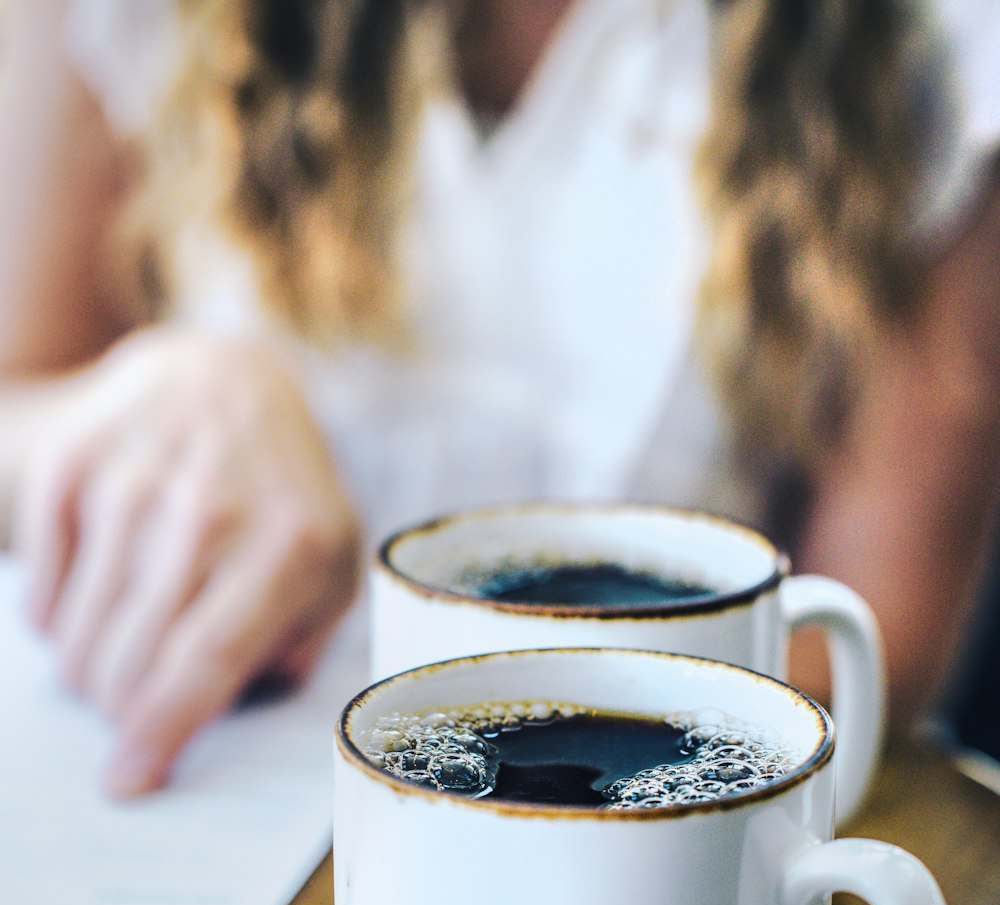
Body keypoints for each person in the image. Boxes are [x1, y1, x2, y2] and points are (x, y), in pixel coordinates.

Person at [1, 0, 999, 795]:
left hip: (635, 829)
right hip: (200, 777)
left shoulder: (929, 42)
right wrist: (145, 395)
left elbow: (871, 646)